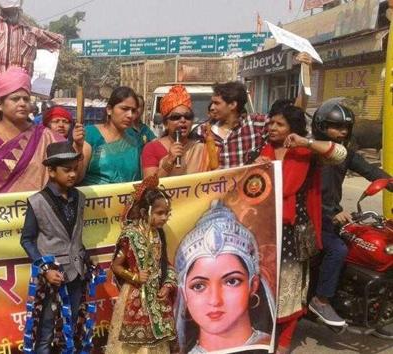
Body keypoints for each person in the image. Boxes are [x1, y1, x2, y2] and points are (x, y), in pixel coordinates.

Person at [256, 104, 347, 353]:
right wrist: (257, 169)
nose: (273, 128)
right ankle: (266, 339)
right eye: (271, 122)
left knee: (291, 289)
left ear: (292, 129)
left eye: (280, 124)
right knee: (265, 288)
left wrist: (305, 143)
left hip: (293, 234)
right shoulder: (261, 152)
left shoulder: (306, 153)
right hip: (264, 232)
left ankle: (284, 342)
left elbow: (339, 153)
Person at [308, 98, 393, 329]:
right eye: (337, 126)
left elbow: (371, 170)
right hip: (311, 217)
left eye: (346, 127)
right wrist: (332, 212)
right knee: (337, 249)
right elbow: (317, 192)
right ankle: (321, 299)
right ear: (321, 126)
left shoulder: (344, 154)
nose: (342, 131)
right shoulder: (312, 152)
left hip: (330, 216)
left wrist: (390, 182)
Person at [174, 201, 275, 353]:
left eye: (231, 281)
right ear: (184, 294)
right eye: (199, 286)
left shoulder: (266, 346)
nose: (215, 300)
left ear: (253, 285)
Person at [19, 142, 89, 354]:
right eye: (66, 170)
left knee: (72, 325)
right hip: (52, 277)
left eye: (75, 169)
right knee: (46, 329)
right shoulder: (37, 201)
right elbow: (27, 240)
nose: (72, 174)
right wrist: (45, 269)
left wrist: (85, 260)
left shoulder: (80, 197)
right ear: (51, 171)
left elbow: (75, 237)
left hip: (77, 274)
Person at [0, 67, 75, 194]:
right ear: (0, 104)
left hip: (37, 210)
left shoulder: (44, 136)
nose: (22, 103)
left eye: (26, 99)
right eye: (15, 99)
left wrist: (79, 145)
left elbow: (70, 173)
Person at [106, 174, 178, 353]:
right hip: (134, 297)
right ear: (146, 212)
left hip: (156, 299)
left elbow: (165, 263)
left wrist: (167, 285)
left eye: (167, 213)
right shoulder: (131, 235)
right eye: (160, 213)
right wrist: (135, 276)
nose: (164, 218)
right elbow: (116, 266)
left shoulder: (158, 234)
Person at [191, 81, 267, 169]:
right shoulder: (202, 131)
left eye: (217, 103)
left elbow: (282, 126)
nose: (212, 107)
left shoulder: (255, 124)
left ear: (232, 105)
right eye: (212, 103)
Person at [141, 85, 211, 177]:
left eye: (188, 117)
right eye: (176, 117)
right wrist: (169, 161)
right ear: (166, 123)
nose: (183, 120)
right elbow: (149, 186)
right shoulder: (152, 148)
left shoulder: (200, 149)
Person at [81, 86, 141, 185]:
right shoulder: (90, 134)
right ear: (109, 109)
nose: (130, 115)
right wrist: (78, 147)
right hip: (95, 199)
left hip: (125, 199)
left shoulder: (133, 141)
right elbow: (77, 177)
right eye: (124, 109)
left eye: (133, 111)